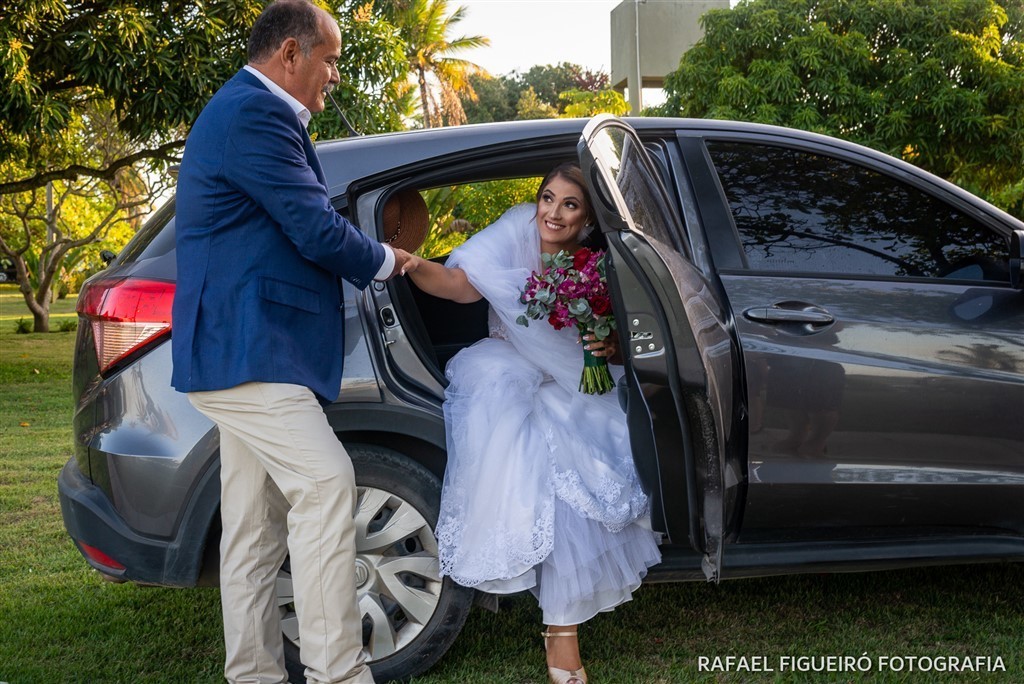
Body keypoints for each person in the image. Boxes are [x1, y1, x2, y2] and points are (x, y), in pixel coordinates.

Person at [170, 2, 409, 682]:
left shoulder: (255, 110)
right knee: (327, 483)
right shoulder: (255, 113)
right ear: (291, 55)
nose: (335, 73)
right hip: (246, 348)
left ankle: (254, 674)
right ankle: (339, 672)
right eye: (330, 58)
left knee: (252, 529)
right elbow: (311, 227)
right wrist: (392, 260)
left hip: (253, 347)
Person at [402, 163, 661, 684]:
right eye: (548, 198)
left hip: (576, 380)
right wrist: (407, 263)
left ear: (587, 218)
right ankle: (560, 635)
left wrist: (609, 346)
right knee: (543, 462)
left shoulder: (596, 261)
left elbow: (619, 337)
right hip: (509, 373)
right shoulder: (516, 229)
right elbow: (458, 285)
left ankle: (560, 629)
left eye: (570, 205)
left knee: (586, 471)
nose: (553, 212)